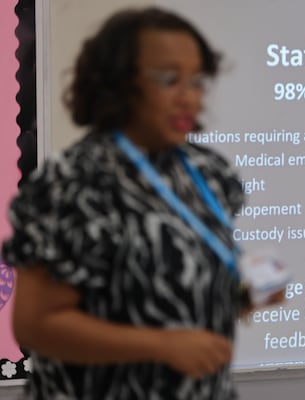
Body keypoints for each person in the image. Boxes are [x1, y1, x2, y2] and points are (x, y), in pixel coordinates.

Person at [2, 6, 275, 399]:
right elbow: (37, 325)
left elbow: (160, 291)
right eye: (168, 79)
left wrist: (240, 296)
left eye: (197, 80)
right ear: (116, 84)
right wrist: (161, 346)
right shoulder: (71, 184)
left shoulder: (208, 172)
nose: (188, 97)